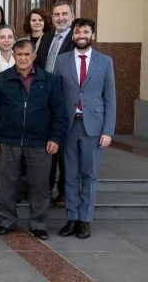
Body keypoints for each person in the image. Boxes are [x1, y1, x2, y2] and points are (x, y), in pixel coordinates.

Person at [0, 39, 66, 240]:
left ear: (34, 56)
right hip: (7, 141)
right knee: (6, 186)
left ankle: (38, 224)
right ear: (13, 55)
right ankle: (6, 221)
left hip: (40, 143)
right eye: (19, 54)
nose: (22, 58)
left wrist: (55, 138)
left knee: (40, 186)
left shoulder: (50, 80)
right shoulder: (1, 80)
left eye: (26, 54)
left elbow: (60, 113)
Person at [55, 18, 115, 239]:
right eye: (78, 31)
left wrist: (108, 130)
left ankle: (85, 219)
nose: (81, 35)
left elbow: (110, 97)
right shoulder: (61, 61)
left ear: (93, 35)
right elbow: (56, 96)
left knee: (89, 175)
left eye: (86, 32)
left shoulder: (105, 61)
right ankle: (71, 217)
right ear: (73, 35)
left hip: (94, 128)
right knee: (69, 174)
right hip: (69, 127)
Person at [37, 1, 76, 207]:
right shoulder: (46, 38)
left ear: (72, 15)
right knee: (47, 147)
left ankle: (63, 191)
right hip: (45, 100)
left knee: (65, 150)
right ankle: (46, 188)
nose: (60, 18)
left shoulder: (76, 38)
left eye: (64, 14)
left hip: (67, 99)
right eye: (56, 14)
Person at [0, 26, 17, 201]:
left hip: (17, 112)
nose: (6, 40)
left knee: (16, 154)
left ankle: (14, 190)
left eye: (10, 37)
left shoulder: (21, 59)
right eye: (2, 37)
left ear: (14, 40)